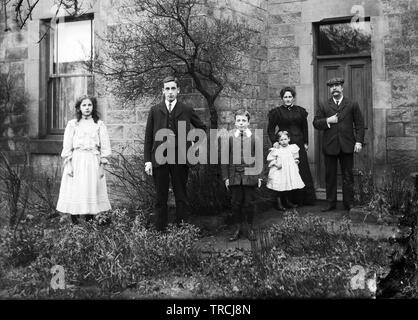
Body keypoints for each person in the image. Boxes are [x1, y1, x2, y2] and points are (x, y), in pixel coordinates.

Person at [144, 76, 207, 231]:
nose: (170, 92)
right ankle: (160, 232)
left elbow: (202, 128)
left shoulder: (186, 109)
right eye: (167, 89)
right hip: (160, 158)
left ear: (178, 90)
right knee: (160, 198)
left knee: (181, 196)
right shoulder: (155, 110)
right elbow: (148, 137)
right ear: (163, 91)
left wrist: (193, 144)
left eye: (173, 89)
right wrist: (147, 161)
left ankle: (182, 231)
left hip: (180, 158)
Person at [56, 95, 112, 224]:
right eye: (84, 105)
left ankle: (90, 224)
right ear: (79, 108)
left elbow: (105, 147)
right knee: (75, 190)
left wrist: (102, 167)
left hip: (93, 161)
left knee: (90, 190)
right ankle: (75, 225)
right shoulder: (73, 124)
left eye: (89, 105)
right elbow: (67, 146)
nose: (87, 108)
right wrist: (69, 165)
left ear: (93, 107)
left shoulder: (99, 124)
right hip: (76, 161)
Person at [313, 77, 365, 212]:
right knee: (330, 176)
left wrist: (359, 141)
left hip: (347, 145)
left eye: (337, 85)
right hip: (330, 146)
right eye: (331, 86)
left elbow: (359, 124)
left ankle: (349, 203)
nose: (334, 88)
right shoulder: (324, 105)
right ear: (330, 90)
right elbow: (316, 123)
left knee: (348, 176)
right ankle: (330, 203)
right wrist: (328, 120)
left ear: (342, 88)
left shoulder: (352, 104)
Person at [267, 87, 316, 206]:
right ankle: (288, 200)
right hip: (284, 145)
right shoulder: (277, 112)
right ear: (282, 98)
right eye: (285, 97)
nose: (288, 99)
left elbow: (305, 127)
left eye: (290, 97)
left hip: (298, 144)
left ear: (293, 98)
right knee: (285, 171)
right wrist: (275, 141)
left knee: (301, 170)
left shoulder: (300, 111)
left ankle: (304, 200)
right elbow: (270, 129)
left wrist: (305, 143)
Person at [221, 109, 262, 241]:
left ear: (248, 122)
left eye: (244, 120)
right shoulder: (230, 138)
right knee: (236, 203)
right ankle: (237, 228)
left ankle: (249, 228)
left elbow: (259, 158)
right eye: (238, 120)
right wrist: (226, 177)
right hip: (234, 176)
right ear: (235, 122)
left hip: (250, 175)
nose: (241, 123)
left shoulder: (255, 138)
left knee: (249, 203)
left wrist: (260, 176)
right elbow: (224, 159)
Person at [266, 131, 305, 211]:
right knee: (279, 187)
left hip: (288, 170)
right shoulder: (276, 150)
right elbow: (271, 159)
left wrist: (295, 161)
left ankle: (287, 201)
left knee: (286, 186)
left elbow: (295, 157)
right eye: (281, 140)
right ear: (278, 141)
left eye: (285, 139)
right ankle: (279, 203)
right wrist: (276, 164)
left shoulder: (292, 148)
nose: (283, 141)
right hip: (280, 170)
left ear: (289, 139)